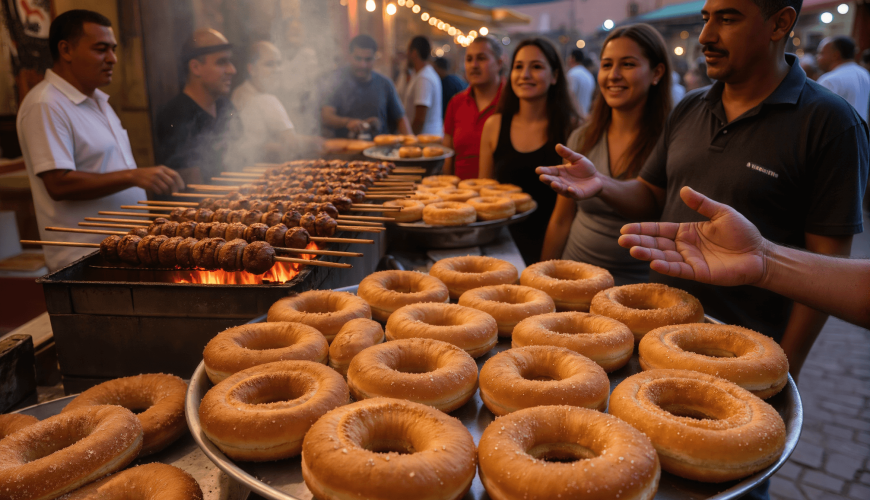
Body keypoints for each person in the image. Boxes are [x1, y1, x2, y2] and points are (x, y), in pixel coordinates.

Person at [537, 0, 867, 385]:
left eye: (728, 19)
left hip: (742, 350)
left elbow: (826, 270)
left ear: (780, 24)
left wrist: (784, 371)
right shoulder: (691, 107)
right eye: (707, 19)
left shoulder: (830, 122)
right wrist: (602, 185)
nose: (706, 37)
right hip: (658, 332)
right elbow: (650, 194)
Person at [17, 9, 184, 271]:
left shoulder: (98, 100)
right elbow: (57, 184)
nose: (113, 59)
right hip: (85, 260)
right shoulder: (45, 104)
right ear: (66, 50)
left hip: (124, 250)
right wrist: (133, 176)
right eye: (101, 49)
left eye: (114, 49)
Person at [619, 186, 870, 331]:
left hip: (755, 325)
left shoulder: (828, 118)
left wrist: (763, 257)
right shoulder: (689, 107)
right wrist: (764, 257)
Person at [542, 24, 671, 285]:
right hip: (574, 278)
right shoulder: (582, 137)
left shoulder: (672, 141)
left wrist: (600, 184)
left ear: (657, 72)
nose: (613, 75)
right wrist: (543, 277)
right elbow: (561, 220)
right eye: (606, 64)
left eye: (628, 64)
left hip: (637, 290)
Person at [480, 38, 581, 265]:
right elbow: (484, 198)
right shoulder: (494, 125)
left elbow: (563, 218)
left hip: (552, 250)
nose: (525, 74)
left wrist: (541, 270)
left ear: (555, 76)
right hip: (500, 249)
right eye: (518, 67)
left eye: (536, 67)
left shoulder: (571, 129)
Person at [155, 29, 240, 184]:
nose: (232, 70)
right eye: (222, 62)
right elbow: (191, 185)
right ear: (195, 67)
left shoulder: (225, 107)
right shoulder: (174, 115)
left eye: (230, 62)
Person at [231, 41, 321, 163]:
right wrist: (319, 143)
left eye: (279, 63)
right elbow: (291, 143)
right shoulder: (266, 100)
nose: (277, 70)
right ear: (252, 69)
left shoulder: (239, 91)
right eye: (269, 64)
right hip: (263, 170)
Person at [321, 35, 411, 138]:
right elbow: (326, 116)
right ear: (349, 56)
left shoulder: (385, 84)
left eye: (368, 60)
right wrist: (348, 122)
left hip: (380, 150)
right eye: (358, 58)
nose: (362, 65)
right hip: (346, 149)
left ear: (374, 58)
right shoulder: (337, 81)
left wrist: (411, 143)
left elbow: (401, 118)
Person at [443, 36, 505, 179]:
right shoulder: (456, 102)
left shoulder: (512, 101)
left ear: (499, 63)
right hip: (460, 194)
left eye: (481, 58)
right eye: (469, 59)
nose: (474, 65)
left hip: (501, 195)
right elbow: (448, 155)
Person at [816, 35, 870, 122]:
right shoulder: (864, 73)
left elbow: (818, 118)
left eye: (821, 53)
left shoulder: (829, 80)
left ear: (835, 55)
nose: (817, 57)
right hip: (861, 134)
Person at [403, 36, 443, 136]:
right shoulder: (421, 74)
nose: (406, 54)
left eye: (408, 51)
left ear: (414, 53)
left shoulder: (424, 78)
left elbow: (420, 118)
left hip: (426, 139)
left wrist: (410, 138)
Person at [565, 48, 596, 115]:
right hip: (585, 115)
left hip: (574, 117)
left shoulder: (572, 74)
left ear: (572, 58)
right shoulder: (589, 75)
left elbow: (569, 96)